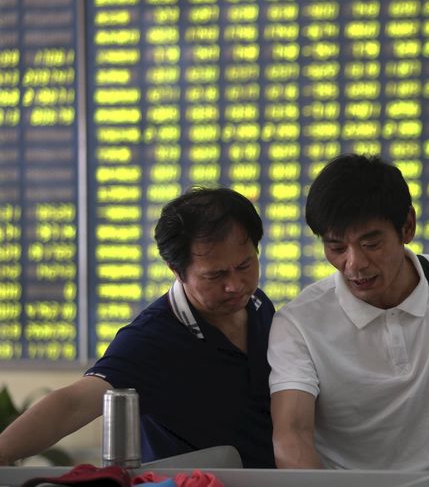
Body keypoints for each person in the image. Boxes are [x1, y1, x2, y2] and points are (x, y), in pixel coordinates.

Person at [0, 187, 276, 468]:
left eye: (245, 265)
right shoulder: (152, 338)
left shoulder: (259, 305)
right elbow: (73, 404)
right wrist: (3, 453)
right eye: (215, 274)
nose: (235, 285)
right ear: (176, 270)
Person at [268, 154, 429, 470]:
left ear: (408, 227)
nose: (354, 263)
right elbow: (292, 435)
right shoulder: (299, 324)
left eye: (371, 244)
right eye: (336, 248)